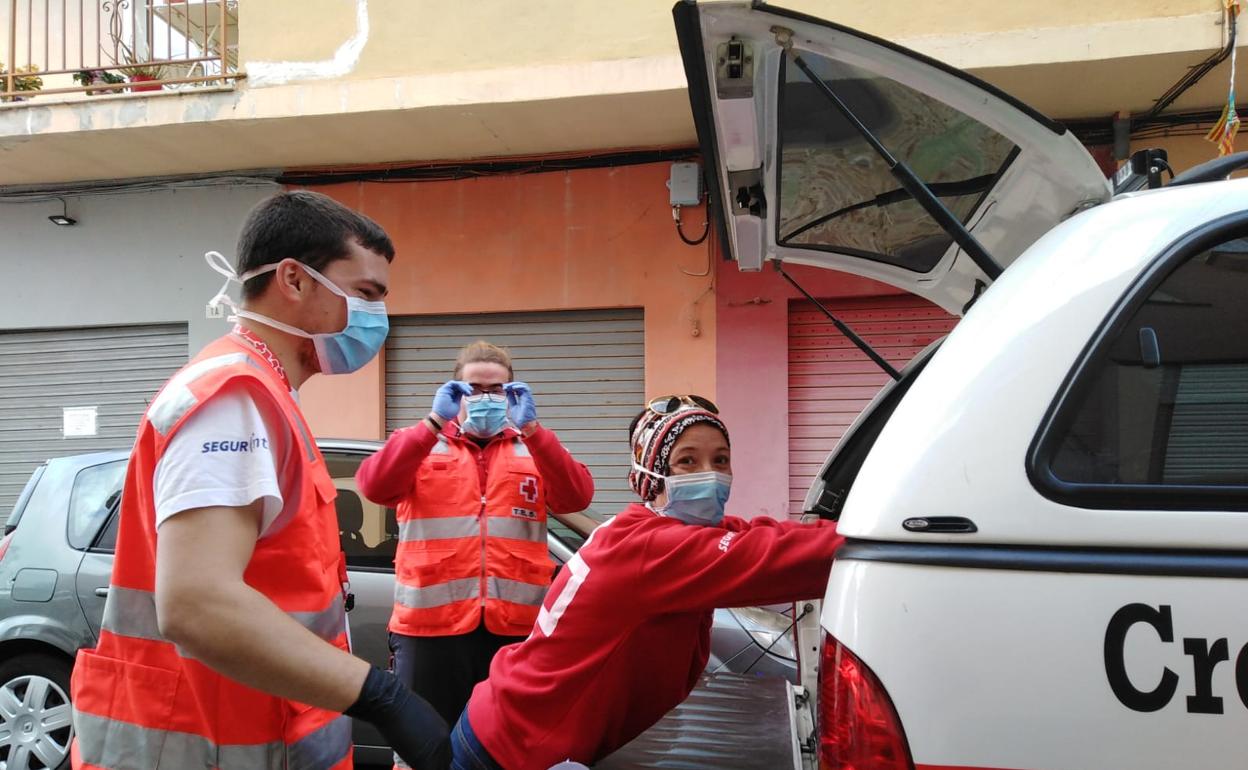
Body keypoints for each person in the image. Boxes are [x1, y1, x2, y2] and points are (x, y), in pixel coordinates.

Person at [69, 191, 449, 770]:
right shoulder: (233, 398)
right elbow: (197, 603)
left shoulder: (263, 392)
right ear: (294, 281)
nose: (377, 317)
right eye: (366, 294)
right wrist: (380, 695)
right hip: (211, 743)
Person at [451, 395, 846, 770]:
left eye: (720, 459)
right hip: (514, 749)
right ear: (652, 477)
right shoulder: (655, 548)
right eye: (687, 461)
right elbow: (777, 559)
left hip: (510, 721)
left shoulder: (647, 529)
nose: (710, 473)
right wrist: (881, 534)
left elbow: (760, 534)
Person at [355, 341, 595, 737]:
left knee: (505, 744)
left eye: (496, 389)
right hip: (429, 630)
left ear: (513, 393)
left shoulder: (533, 447)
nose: (485, 397)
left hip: (514, 631)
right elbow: (374, 485)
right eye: (473, 388)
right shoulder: (419, 443)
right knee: (425, 745)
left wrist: (533, 430)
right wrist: (433, 421)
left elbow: (577, 497)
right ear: (454, 392)